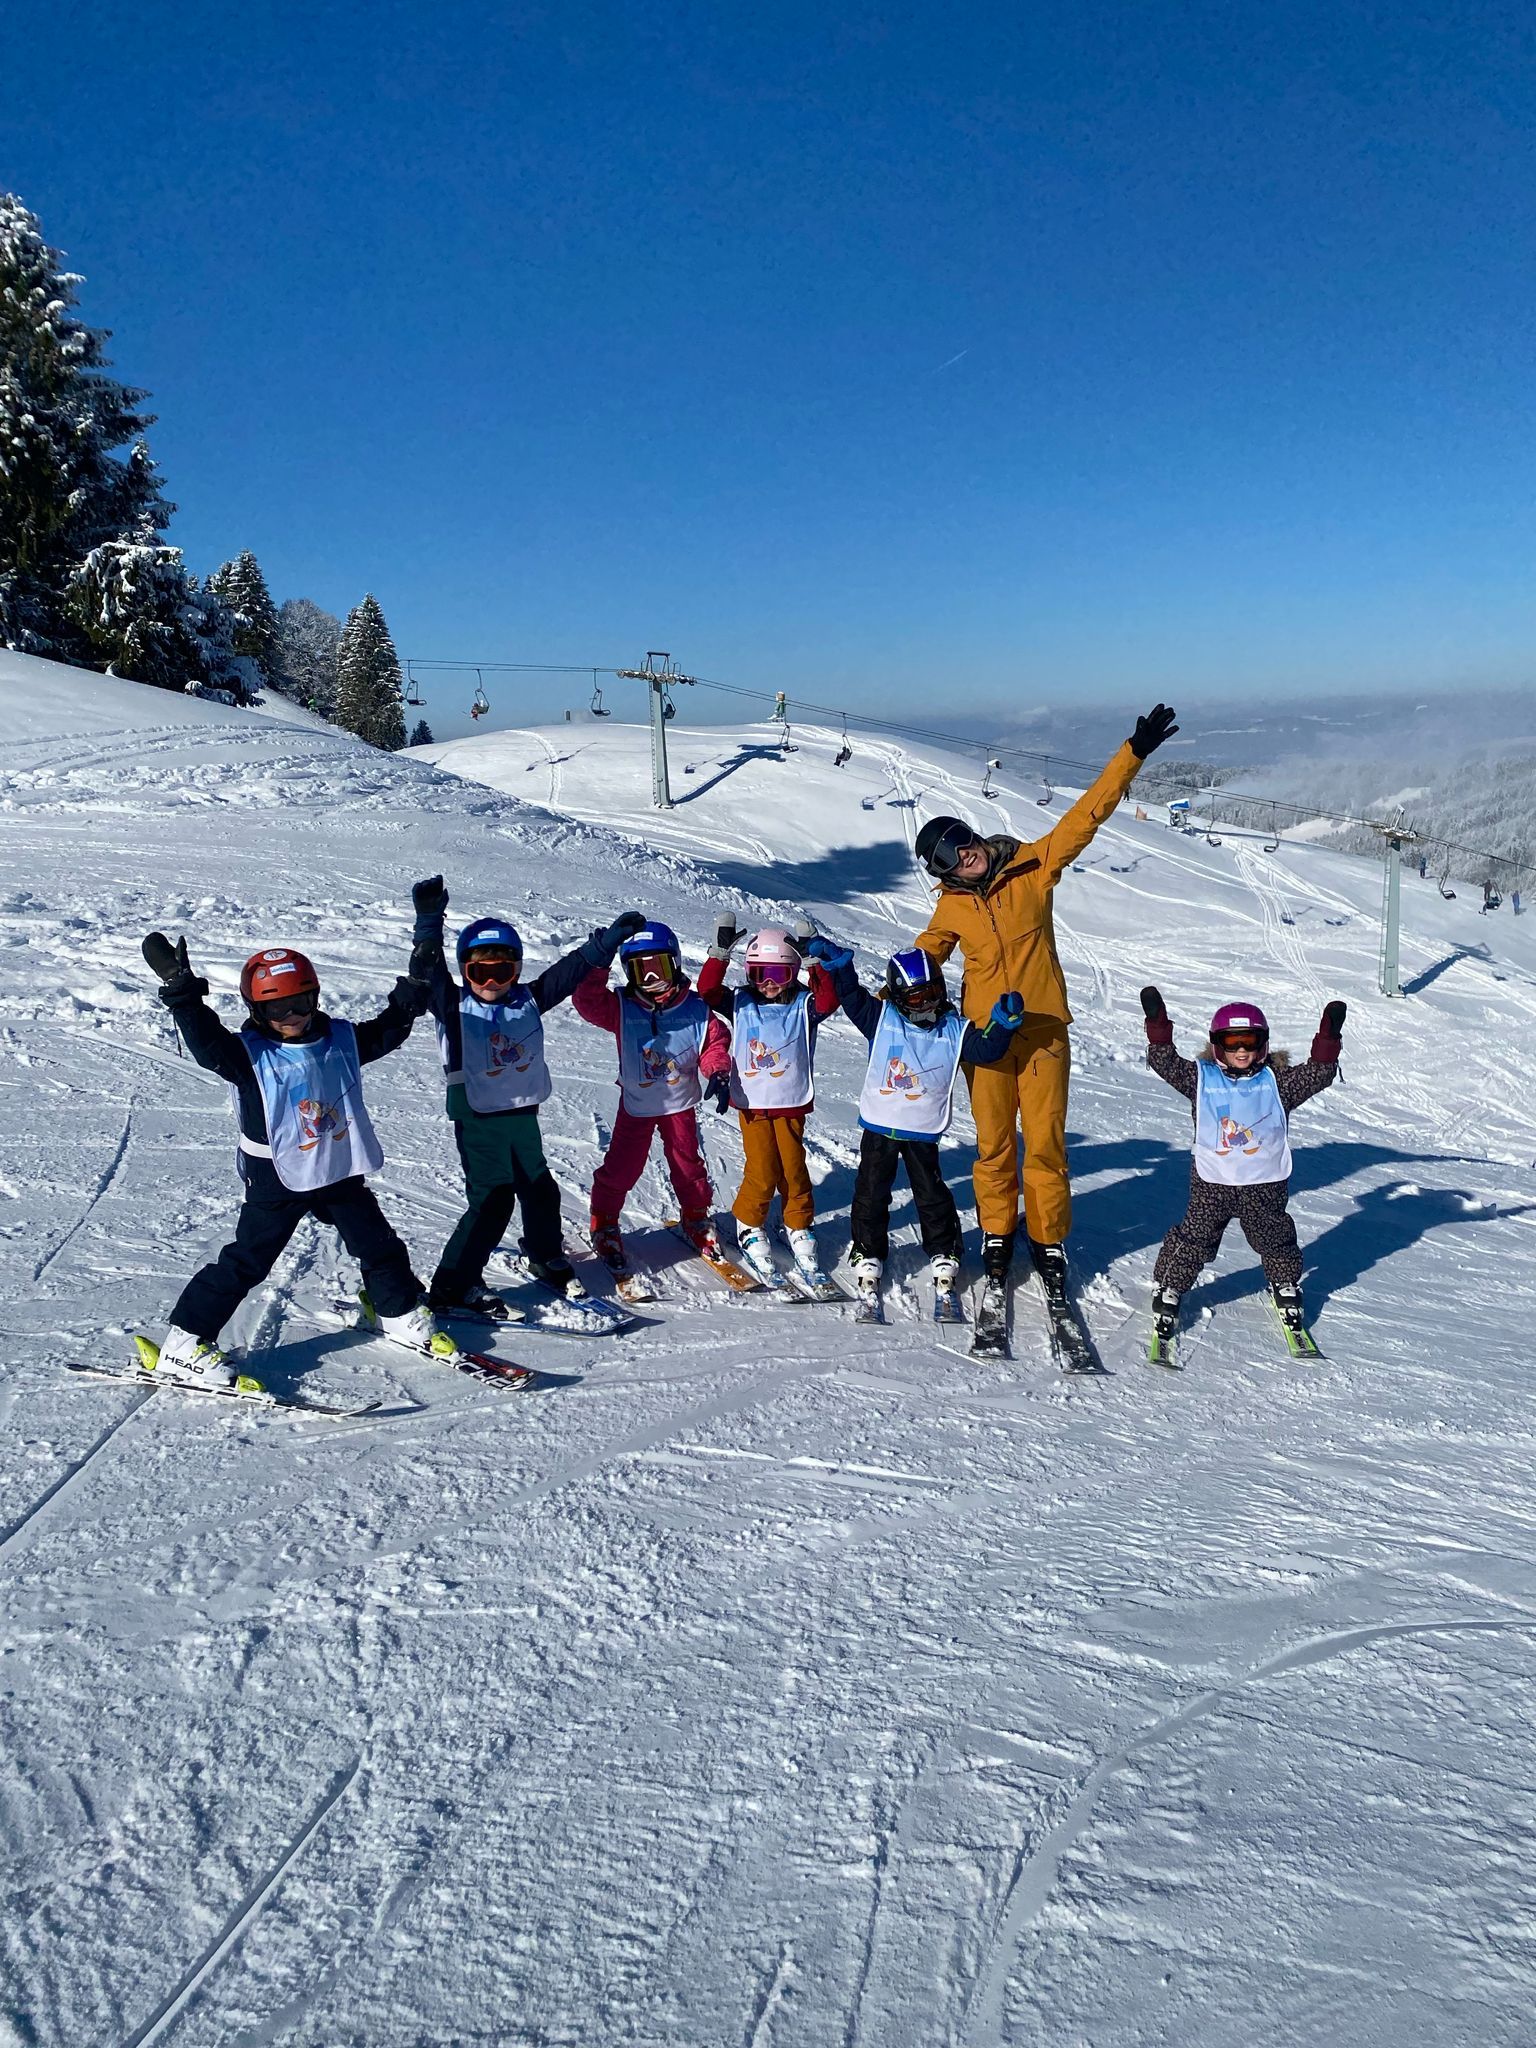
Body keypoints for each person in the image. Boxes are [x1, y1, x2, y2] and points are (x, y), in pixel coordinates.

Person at [911, 703, 1178, 1304]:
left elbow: (1088, 815)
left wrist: (1132, 753)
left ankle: (1048, 1237)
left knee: (1046, 1143)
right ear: (942, 872)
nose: (964, 855)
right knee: (993, 1146)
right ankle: (998, 1230)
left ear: (974, 835)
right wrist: (899, 984)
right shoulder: (951, 906)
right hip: (985, 1040)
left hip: (1043, 1031)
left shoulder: (1033, 865)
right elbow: (929, 950)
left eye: (962, 841)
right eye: (948, 858)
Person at [139, 930, 452, 1388]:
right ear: (256, 1010)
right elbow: (206, 1044)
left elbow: (390, 1027)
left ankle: (395, 1309)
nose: (292, 1017)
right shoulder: (247, 1056)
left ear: (315, 998)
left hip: (337, 1168)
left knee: (377, 1243)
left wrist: (417, 982)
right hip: (277, 1178)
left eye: (300, 1004)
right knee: (248, 1259)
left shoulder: (340, 1040)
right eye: (276, 1009)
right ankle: (184, 1343)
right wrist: (182, 991)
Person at [408, 876, 646, 1312]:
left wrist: (606, 943)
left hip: (520, 1114)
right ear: (464, 971)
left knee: (540, 1190)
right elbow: (428, 970)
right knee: (492, 1200)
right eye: (480, 972)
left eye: (503, 971)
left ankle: (545, 1255)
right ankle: (453, 1285)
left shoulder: (528, 999)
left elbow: (569, 972)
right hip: (477, 1117)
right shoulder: (452, 1004)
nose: (491, 981)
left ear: (516, 970)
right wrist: (428, 922)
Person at [816, 942, 1027, 1295]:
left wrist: (1003, 1024)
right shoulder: (880, 1018)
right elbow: (852, 997)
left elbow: (986, 1049)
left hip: (922, 1130)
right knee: (871, 1190)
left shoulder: (953, 1029)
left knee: (931, 1193)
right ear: (899, 998)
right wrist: (841, 967)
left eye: (931, 994)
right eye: (916, 998)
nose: (926, 1004)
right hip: (881, 1126)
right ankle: (868, 1249)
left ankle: (944, 1248)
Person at [1140, 989, 1345, 1334]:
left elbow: (1319, 1073)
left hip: (1263, 1183)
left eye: (1249, 1042)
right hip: (1213, 1183)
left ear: (1262, 1043)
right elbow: (1165, 1062)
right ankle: (1170, 1285)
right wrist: (1158, 1025)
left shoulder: (1278, 1082)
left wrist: (1329, 1036)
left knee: (1275, 1236)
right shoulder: (1202, 1078)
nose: (1241, 1050)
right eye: (1232, 1042)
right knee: (1195, 1237)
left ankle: (1284, 1282)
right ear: (1217, 1044)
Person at [572, 921, 731, 1268]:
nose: (651, 979)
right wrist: (598, 959)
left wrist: (717, 1071)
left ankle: (696, 1214)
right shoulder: (621, 1007)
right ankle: (605, 1220)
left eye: (658, 967)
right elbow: (586, 1002)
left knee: (687, 1163)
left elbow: (713, 1043)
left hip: (679, 1103)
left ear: (675, 964)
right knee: (623, 1165)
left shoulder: (695, 1009)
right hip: (638, 1105)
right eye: (640, 971)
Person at [695, 920, 842, 1285]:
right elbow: (708, 991)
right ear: (750, 973)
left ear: (793, 974)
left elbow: (829, 999)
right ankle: (749, 1222)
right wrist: (719, 955)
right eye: (760, 974)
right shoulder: (741, 1003)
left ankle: (798, 1223)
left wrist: (813, 961)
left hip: (790, 1103)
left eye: (779, 974)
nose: (769, 983)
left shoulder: (805, 1005)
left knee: (793, 1169)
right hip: (754, 1104)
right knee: (762, 1169)